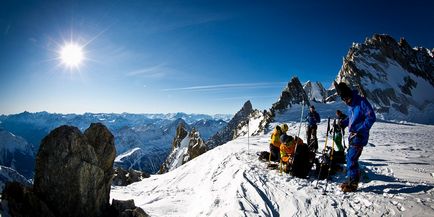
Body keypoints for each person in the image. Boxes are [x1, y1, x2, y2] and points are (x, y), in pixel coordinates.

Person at [335, 82, 376, 192]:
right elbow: (351, 119)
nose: (345, 101)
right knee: (349, 157)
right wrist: (343, 123)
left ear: (349, 94)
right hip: (352, 136)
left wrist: (360, 130)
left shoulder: (361, 102)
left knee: (352, 158)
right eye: (343, 99)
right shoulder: (351, 105)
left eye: (346, 98)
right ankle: (350, 179)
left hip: (359, 135)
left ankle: (353, 183)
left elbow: (371, 117)